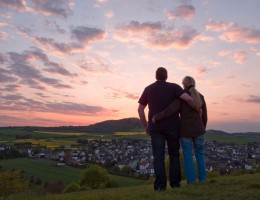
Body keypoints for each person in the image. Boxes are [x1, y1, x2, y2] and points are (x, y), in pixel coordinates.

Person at [138, 68, 199, 191]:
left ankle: (160, 187)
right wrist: (198, 109)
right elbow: (189, 99)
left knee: (158, 157)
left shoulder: (148, 89)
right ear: (166, 76)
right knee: (174, 155)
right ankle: (175, 184)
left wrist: (146, 126)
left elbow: (140, 109)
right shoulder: (174, 87)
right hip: (172, 127)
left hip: (155, 128)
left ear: (156, 76)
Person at [153, 76, 208, 185]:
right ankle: (203, 180)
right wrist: (202, 128)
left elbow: (170, 110)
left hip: (186, 131)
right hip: (199, 131)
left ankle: (191, 182)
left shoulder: (182, 97)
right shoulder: (200, 96)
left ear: (184, 84)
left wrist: (157, 117)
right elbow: (205, 116)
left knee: (188, 157)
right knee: (200, 155)